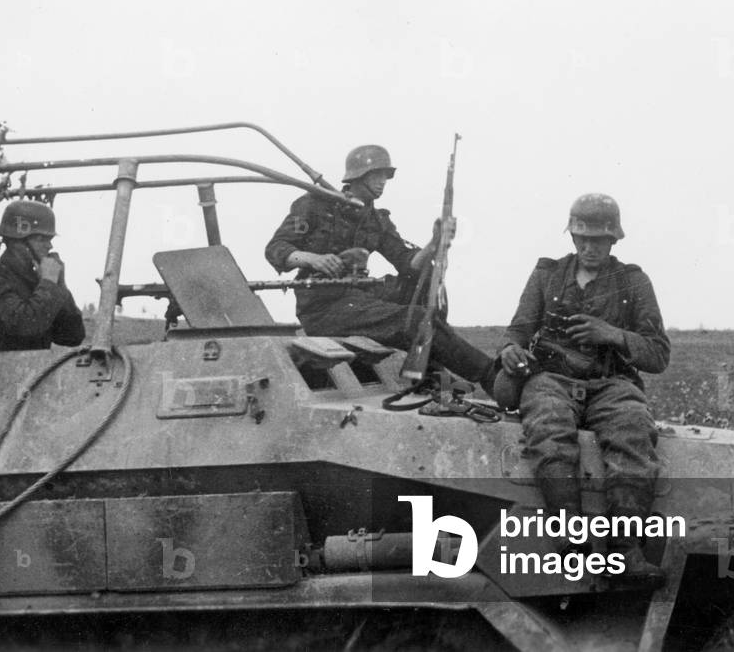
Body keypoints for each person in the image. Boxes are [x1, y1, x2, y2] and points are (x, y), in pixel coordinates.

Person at [498, 193, 670, 581]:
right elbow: (519, 328)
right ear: (572, 237)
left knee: (632, 432)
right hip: (551, 378)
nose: (590, 248)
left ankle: (625, 551)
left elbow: (658, 355)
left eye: (600, 240)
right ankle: (570, 543)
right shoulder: (547, 274)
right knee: (549, 428)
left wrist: (612, 334)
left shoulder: (633, 281)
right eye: (583, 239)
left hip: (611, 381)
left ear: (614, 241)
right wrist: (510, 349)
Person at [265, 144, 496, 395]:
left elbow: (407, 263)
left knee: (427, 277)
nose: (382, 182)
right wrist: (311, 258)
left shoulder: (377, 220)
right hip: (323, 306)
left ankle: (426, 370)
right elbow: (276, 248)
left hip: (357, 298)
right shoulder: (314, 205)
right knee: (415, 320)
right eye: (376, 175)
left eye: (385, 176)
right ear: (357, 176)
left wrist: (434, 243)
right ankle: (492, 376)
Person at [0, 200, 85, 352]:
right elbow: (24, 326)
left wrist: (60, 286)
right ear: (17, 242)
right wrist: (49, 284)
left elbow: (72, 336)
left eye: (49, 239)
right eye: (41, 239)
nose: (49, 246)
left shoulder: (37, 281)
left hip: (35, 371)